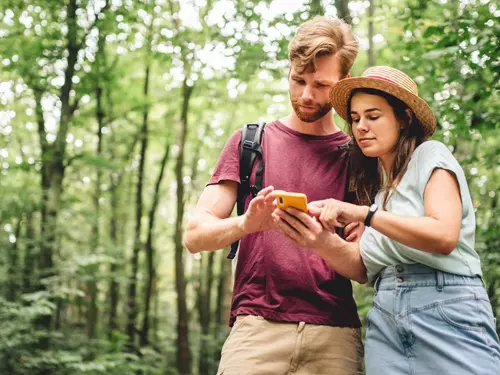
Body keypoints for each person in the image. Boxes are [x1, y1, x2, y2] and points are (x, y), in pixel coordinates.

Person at [272, 66, 500, 374]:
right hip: (386, 319)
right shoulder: (380, 194)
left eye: (373, 116)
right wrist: (319, 240)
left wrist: (365, 215)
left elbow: (444, 235)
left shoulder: (431, 156)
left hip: (448, 308)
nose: (361, 127)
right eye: (355, 119)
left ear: (404, 118)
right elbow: (361, 269)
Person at [184, 16, 364, 375]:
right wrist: (246, 223)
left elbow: (363, 267)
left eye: (320, 84)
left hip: (336, 333)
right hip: (256, 330)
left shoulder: (358, 157)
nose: (306, 95)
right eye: (298, 81)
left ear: (344, 83)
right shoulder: (250, 142)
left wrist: (322, 243)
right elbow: (194, 235)